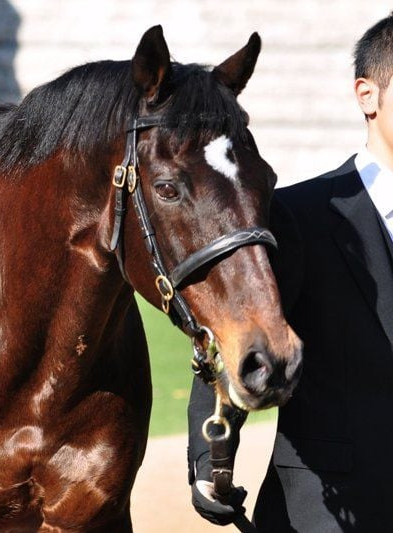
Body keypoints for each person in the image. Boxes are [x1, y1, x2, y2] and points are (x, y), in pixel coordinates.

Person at [187, 12, 393, 531]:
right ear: (367, 95)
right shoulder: (297, 215)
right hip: (327, 508)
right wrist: (213, 462)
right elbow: (239, 335)